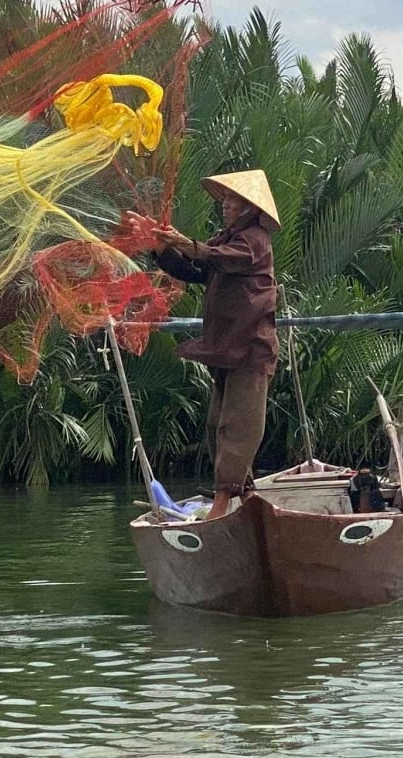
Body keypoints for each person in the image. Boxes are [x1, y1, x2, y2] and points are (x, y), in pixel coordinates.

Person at [124, 169, 280, 520]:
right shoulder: (227, 238)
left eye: (233, 199)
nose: (225, 204)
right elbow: (196, 270)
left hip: (251, 349)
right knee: (216, 425)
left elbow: (216, 257)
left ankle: (224, 502)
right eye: (225, 197)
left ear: (250, 208)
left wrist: (184, 242)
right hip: (228, 347)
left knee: (238, 424)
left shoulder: (254, 240)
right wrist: (161, 247)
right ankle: (246, 494)